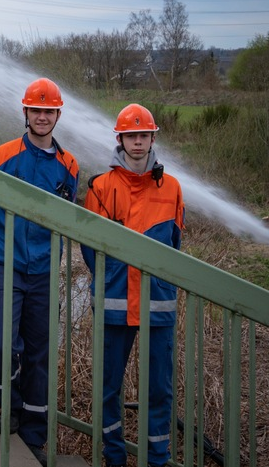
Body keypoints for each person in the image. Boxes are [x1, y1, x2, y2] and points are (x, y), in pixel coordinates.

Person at [0, 78, 78, 466]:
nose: (41, 116)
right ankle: (11, 400)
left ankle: (33, 434)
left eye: (48, 111)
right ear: (25, 113)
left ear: (57, 115)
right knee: (1, 343)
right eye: (35, 110)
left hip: (44, 270)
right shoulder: (0, 157)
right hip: (4, 263)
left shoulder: (69, 166)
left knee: (38, 353)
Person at [82, 103, 183, 467]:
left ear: (152, 137)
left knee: (160, 389)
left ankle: (157, 458)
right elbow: (90, 250)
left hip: (158, 306)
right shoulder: (101, 186)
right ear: (120, 139)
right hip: (114, 304)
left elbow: (175, 245)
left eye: (144, 136)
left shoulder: (171, 188)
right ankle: (114, 456)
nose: (138, 142)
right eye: (131, 136)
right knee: (109, 388)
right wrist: (110, 282)